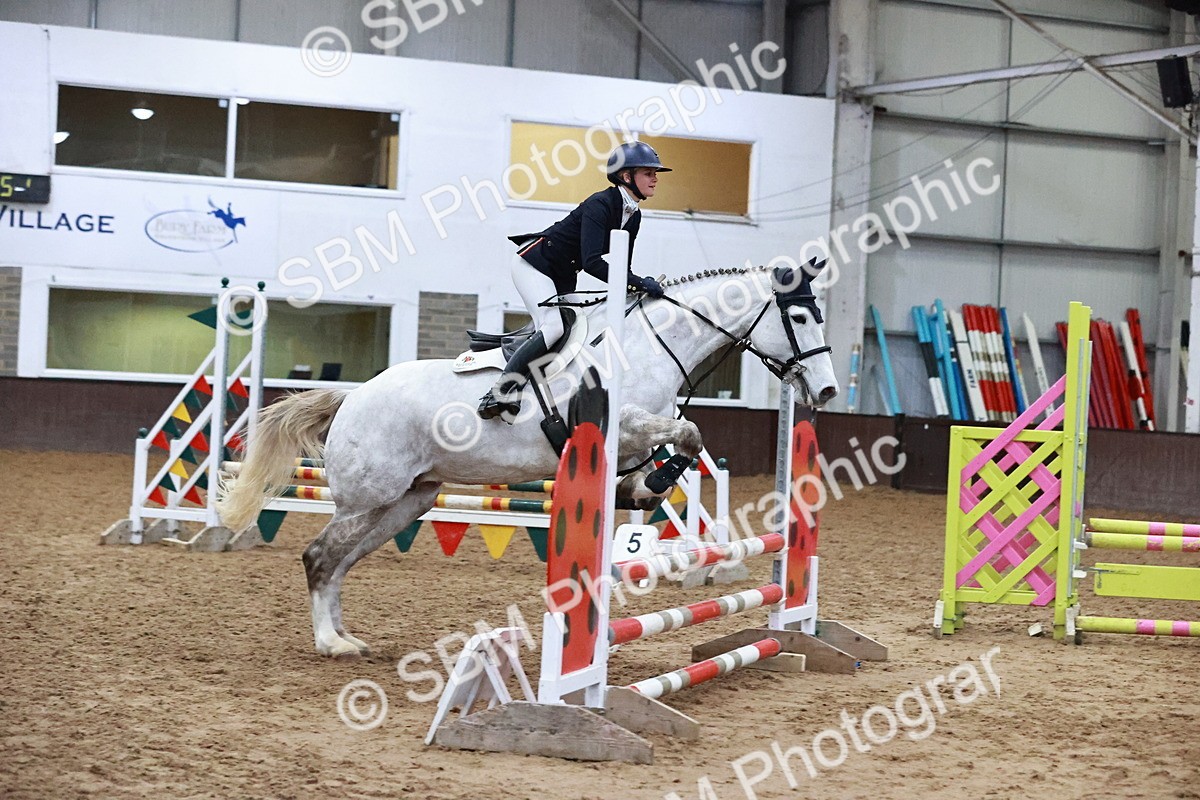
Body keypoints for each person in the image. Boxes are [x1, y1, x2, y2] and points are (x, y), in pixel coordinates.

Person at [477, 141, 671, 420]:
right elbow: (593, 262)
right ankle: (501, 390)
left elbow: (620, 268)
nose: (655, 178)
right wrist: (639, 282)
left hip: (564, 273)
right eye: (648, 172)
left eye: (655, 173)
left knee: (580, 327)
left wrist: (638, 285)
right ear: (626, 176)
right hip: (535, 264)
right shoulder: (600, 204)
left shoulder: (634, 216)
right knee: (554, 327)